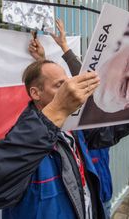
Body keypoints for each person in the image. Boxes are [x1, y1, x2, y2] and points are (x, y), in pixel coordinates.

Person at [0, 20, 129, 218]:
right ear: (35, 93)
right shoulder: (25, 137)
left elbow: (105, 133)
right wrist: (56, 110)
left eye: (67, 82)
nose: (69, 88)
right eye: (60, 85)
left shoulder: (73, 127)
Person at [29, 19, 112, 218]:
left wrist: (64, 47)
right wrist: (45, 58)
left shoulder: (96, 117)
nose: (71, 87)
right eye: (63, 85)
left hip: (101, 196)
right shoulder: (60, 127)